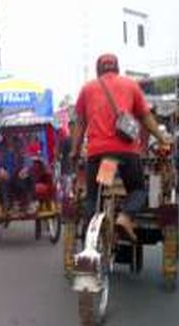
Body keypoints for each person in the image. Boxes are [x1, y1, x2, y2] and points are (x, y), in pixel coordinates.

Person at [70, 54, 172, 241]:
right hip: (125, 152)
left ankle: (88, 232)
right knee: (138, 190)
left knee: (93, 196)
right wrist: (162, 137)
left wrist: (74, 151)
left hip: (98, 154)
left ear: (98, 69)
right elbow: (145, 117)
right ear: (117, 68)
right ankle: (125, 217)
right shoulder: (131, 85)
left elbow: (80, 124)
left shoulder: (87, 89)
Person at [0, 136, 37, 213]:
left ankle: (30, 203)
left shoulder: (20, 143)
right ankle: (8, 205)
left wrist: (25, 168)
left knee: (30, 177)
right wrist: (0, 170)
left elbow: (27, 158)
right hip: (7, 174)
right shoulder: (0, 147)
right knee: (2, 181)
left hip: (19, 173)